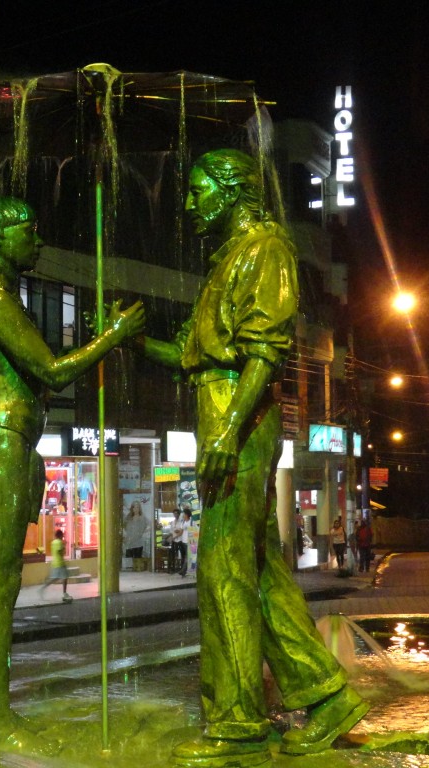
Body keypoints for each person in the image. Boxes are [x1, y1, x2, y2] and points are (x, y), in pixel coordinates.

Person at [134, 148, 367, 762]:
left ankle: (236, 722)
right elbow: (194, 354)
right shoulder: (230, 260)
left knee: (223, 570)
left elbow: (263, 355)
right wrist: (128, 341)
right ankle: (326, 696)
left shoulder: (266, 249)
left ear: (231, 190)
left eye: (196, 190)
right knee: (259, 573)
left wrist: (226, 435)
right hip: (224, 412)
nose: (187, 203)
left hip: (238, 418)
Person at [0, 195, 144, 754]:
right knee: (0, 582)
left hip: (13, 443)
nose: (37, 242)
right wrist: (113, 336)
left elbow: (32, 377)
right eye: (29, 231)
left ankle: (2, 713)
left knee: (6, 579)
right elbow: (52, 370)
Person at [40, 529, 72, 602]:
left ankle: (43, 587)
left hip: (55, 563)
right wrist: (64, 546)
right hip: (60, 563)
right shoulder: (59, 542)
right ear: (60, 535)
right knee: (65, 577)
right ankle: (64, 593)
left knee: (55, 578)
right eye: (62, 535)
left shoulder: (53, 542)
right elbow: (60, 552)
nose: (63, 536)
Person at [171, 508, 190, 576]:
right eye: (174, 513)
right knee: (184, 556)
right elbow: (179, 531)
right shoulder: (179, 522)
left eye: (184, 514)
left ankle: (183, 570)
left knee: (185, 556)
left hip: (184, 541)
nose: (175, 515)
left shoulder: (187, 522)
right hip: (181, 541)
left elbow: (182, 532)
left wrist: (175, 536)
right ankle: (181, 570)